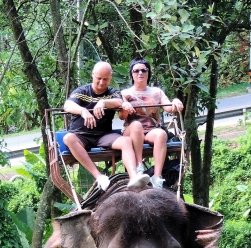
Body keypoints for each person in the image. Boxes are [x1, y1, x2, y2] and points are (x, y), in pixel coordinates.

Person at [63, 61, 149, 191]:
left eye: (105, 79)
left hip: (104, 136)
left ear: (111, 77)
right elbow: (67, 105)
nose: (102, 83)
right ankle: (99, 177)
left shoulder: (112, 92)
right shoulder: (82, 91)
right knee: (68, 138)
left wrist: (103, 102)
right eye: (98, 78)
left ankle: (134, 176)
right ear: (93, 75)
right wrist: (83, 111)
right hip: (81, 136)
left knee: (126, 141)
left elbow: (119, 101)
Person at [119, 57, 184, 189]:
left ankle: (157, 177)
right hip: (131, 132)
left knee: (160, 133)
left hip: (150, 131)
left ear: (148, 73)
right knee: (136, 125)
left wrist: (176, 101)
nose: (140, 73)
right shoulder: (125, 93)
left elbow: (169, 108)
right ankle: (138, 167)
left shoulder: (156, 92)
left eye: (144, 70)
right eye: (136, 71)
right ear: (131, 73)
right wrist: (124, 104)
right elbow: (121, 117)